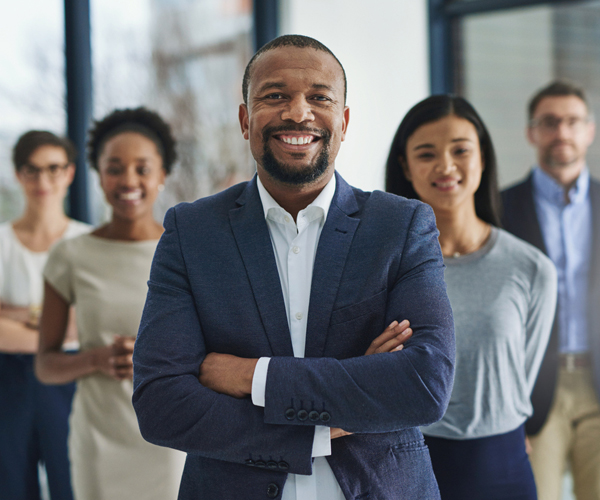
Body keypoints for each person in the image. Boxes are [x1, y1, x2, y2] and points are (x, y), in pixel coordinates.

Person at [132, 35, 455, 500]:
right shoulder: (192, 232)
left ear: (343, 122)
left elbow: (424, 384)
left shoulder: (401, 226)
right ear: (246, 120)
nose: (298, 113)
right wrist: (326, 424)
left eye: (319, 97)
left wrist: (251, 377)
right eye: (275, 95)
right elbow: (162, 403)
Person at [385, 95, 557, 499]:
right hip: (409, 462)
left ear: (483, 157)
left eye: (460, 150)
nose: (446, 166)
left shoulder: (531, 268)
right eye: (426, 154)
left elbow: (520, 377)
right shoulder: (385, 270)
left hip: (503, 466)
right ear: (406, 167)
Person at [36, 108, 186, 500]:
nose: (128, 181)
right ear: (98, 174)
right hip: (98, 441)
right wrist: (96, 359)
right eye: (114, 168)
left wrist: (159, 357)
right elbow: (46, 364)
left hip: (171, 440)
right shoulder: (70, 256)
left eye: (142, 168)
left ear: (162, 174)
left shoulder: (187, 252)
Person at [502, 81, 600, 500]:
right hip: (531, 389)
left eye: (573, 121)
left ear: (589, 130)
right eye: (550, 122)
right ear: (532, 132)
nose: (562, 132)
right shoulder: (499, 208)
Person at [0, 130, 90, 500]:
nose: (43, 180)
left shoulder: (89, 243)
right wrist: (59, 321)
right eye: (32, 170)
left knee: (73, 485)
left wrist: (17, 315)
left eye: (53, 169)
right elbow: (73, 323)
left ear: (69, 173)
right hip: (9, 384)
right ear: (19, 175)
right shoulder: (2, 243)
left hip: (72, 382)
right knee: (11, 486)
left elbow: (91, 325)